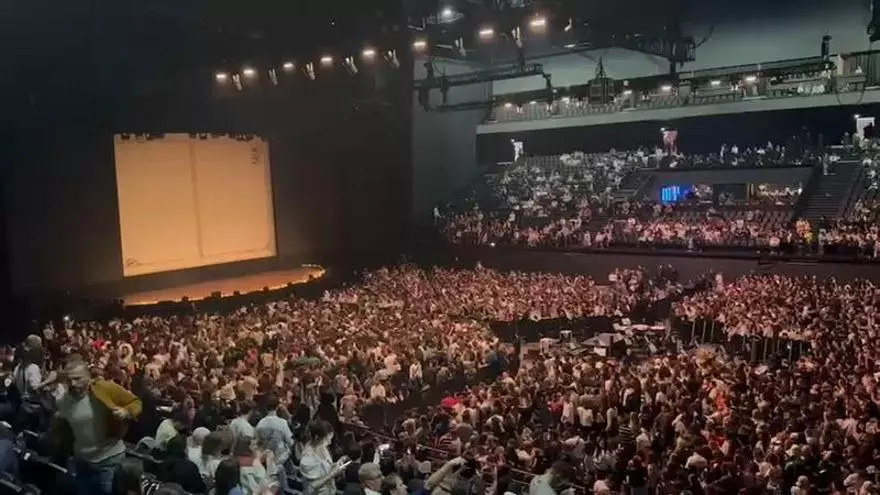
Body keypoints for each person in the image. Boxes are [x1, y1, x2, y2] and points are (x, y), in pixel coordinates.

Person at [51, 359, 142, 495]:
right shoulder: (63, 401)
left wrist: (126, 412)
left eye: (77, 379)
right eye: (69, 380)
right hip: (82, 462)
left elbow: (136, 402)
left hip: (109, 460)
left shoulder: (104, 389)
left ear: (88, 377)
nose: (73, 384)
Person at [299, 420, 347, 495]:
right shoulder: (308, 457)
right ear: (317, 438)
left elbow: (324, 467)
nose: (330, 442)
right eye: (327, 439)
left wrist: (335, 465)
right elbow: (313, 485)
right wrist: (333, 473)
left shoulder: (322, 447)